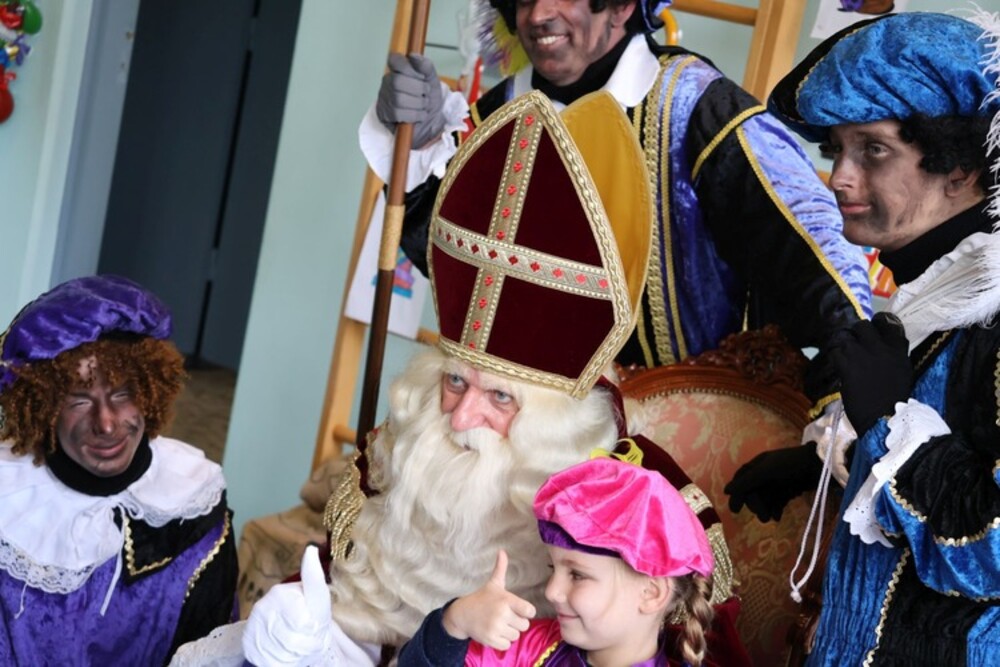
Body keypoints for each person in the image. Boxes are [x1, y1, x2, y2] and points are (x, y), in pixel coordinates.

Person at [173, 90, 749, 666]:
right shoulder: (398, 450)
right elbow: (342, 595)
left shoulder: (641, 500)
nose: (461, 416)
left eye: (499, 395)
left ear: (555, 423)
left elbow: (697, 645)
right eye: (454, 382)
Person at [363, 0, 872, 372]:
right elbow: (456, 267)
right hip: (530, 426)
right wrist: (420, 145)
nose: (538, 15)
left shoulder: (697, 108)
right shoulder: (495, 118)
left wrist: (848, 373)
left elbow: (813, 252)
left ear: (623, 5)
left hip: (685, 438)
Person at [731, 12, 1000, 664]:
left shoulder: (990, 314)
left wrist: (888, 419)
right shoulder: (935, 295)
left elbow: (991, 549)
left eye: (873, 150)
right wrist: (831, 462)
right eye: (837, 150)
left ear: (960, 168)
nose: (839, 178)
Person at [0, 274, 239, 665]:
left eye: (123, 394)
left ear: (150, 393)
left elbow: (210, 648)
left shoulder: (193, 505)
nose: (106, 423)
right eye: (79, 400)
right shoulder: (9, 508)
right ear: (43, 408)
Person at [396, 456, 718, 666]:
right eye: (554, 568)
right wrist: (455, 622)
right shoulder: (524, 649)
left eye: (576, 574)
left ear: (651, 593)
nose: (551, 591)